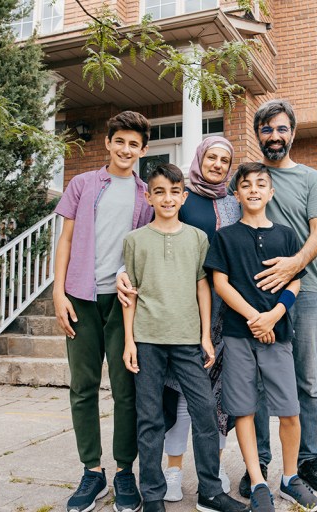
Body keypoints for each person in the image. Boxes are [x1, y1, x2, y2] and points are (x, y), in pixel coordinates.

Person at [122, 163, 248, 512]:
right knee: (149, 418)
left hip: (187, 340)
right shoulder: (135, 241)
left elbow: (202, 287)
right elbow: (130, 293)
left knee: (205, 411)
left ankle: (210, 490)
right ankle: (152, 495)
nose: (167, 198)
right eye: (159, 191)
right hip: (147, 340)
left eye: (174, 192)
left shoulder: (197, 238)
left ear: (184, 195)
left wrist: (206, 336)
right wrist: (130, 342)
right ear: (148, 196)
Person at [231, 99, 317, 498]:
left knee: (306, 382)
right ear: (257, 134)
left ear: (292, 132)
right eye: (266, 129)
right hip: (254, 298)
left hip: (305, 293)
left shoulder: (311, 179)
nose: (274, 136)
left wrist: (293, 265)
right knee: (257, 383)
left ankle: (308, 461)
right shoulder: (249, 177)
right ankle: (258, 462)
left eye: (281, 129)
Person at [207, 162, 317, 512]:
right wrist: (253, 317)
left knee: (289, 409)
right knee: (243, 409)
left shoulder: (287, 235)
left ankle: (290, 479)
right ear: (236, 193)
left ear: (270, 192)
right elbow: (220, 283)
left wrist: (274, 315)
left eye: (261, 184)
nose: (254, 189)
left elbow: (295, 280)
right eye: (246, 185)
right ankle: (257, 480)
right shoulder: (225, 236)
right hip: (239, 335)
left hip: (278, 334)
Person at [52, 111, 153, 512]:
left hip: (124, 303)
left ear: (143, 150)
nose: (126, 149)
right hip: (80, 297)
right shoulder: (83, 184)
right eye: (120, 141)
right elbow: (66, 240)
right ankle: (92, 472)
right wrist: (58, 294)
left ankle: (125, 471)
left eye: (134, 144)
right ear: (108, 143)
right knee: (83, 387)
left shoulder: (146, 195)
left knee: (126, 389)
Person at [159, 137, 241, 501]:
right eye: (212, 157)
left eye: (225, 160)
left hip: (226, 313)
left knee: (219, 397)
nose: (218, 164)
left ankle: (215, 466)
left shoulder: (234, 204)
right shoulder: (182, 198)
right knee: (179, 395)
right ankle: (173, 471)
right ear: (199, 158)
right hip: (183, 309)